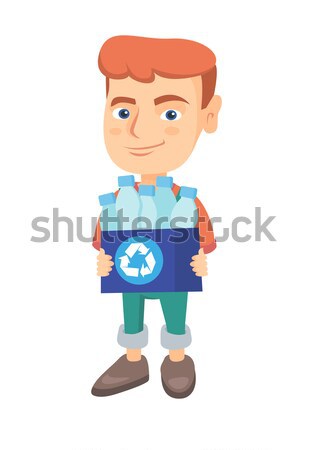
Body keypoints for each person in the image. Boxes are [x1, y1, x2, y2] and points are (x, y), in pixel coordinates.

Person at [92, 36, 222, 398]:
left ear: (207, 117)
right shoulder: (117, 201)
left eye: (169, 114)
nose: (140, 130)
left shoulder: (187, 201)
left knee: (174, 309)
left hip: (174, 277)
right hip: (130, 277)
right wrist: (103, 261)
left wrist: (199, 260)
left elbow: (202, 243)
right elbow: (105, 242)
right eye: (122, 111)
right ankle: (133, 360)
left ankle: (177, 359)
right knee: (130, 310)